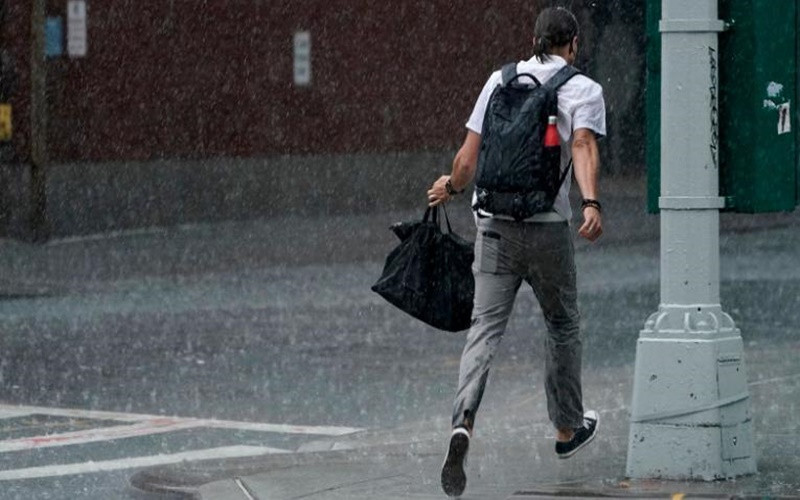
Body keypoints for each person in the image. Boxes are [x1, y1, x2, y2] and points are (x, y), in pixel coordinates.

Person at [427, 7, 606, 497]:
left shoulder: (498, 80)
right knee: (562, 324)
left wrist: (452, 186)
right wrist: (590, 202)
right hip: (548, 229)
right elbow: (584, 145)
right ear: (572, 43)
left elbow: (468, 157)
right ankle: (567, 429)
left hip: (495, 228)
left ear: (533, 40)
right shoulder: (583, 89)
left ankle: (463, 420)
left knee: (483, 329)